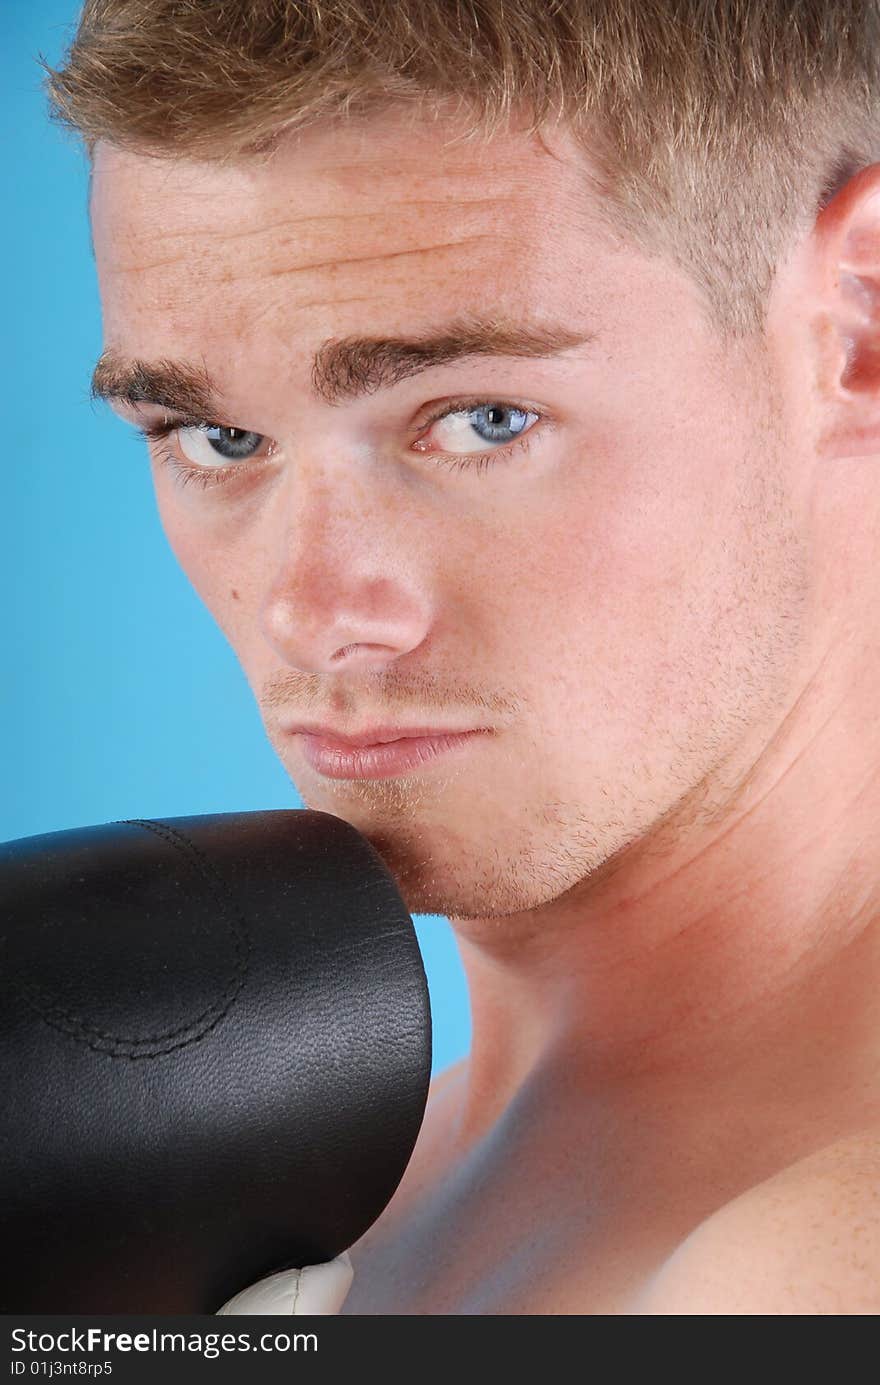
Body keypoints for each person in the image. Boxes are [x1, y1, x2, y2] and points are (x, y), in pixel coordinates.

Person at [44, 0, 880, 1314]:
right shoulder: (314, 1209)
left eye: (480, 419)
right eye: (212, 436)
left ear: (856, 321)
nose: (313, 609)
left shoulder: (818, 1261)